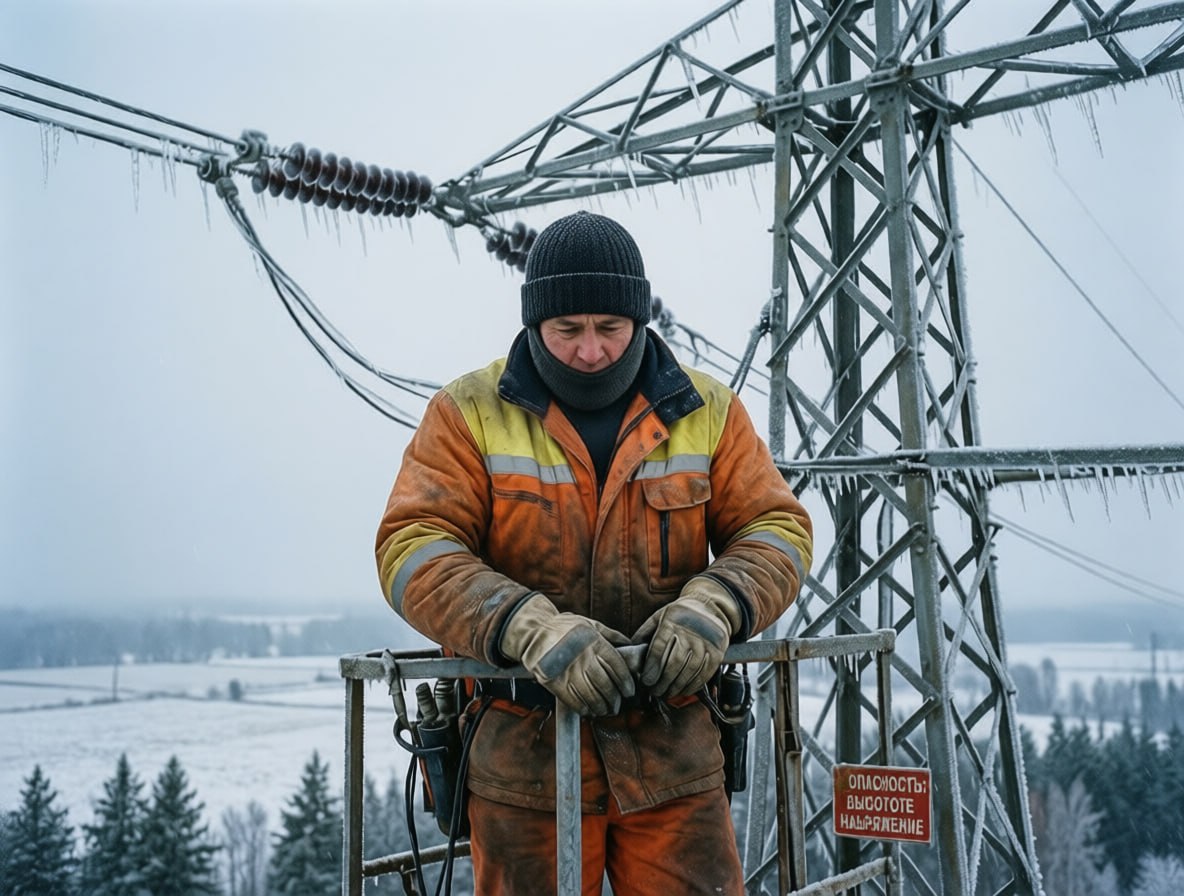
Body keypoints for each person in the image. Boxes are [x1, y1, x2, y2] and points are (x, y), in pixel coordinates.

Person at [375, 210, 812, 895]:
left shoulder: (708, 410)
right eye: (567, 330)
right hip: (523, 761)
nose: (590, 351)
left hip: (671, 752)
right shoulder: (466, 413)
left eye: (610, 328)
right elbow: (413, 548)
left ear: (639, 319)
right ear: (533, 325)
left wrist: (715, 604)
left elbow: (776, 528)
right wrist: (526, 626)